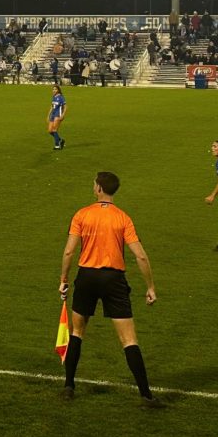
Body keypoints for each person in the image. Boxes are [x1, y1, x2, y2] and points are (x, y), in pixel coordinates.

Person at [58, 172, 157, 405]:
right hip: (114, 279)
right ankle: (146, 395)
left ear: (100, 188)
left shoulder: (82, 214)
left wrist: (63, 279)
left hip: (87, 276)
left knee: (77, 332)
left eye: (94, 184)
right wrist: (150, 286)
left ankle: (69, 386)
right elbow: (140, 256)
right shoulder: (123, 218)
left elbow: (69, 251)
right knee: (129, 339)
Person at [47, 85, 66, 150]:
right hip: (53, 114)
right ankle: (60, 140)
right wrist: (48, 115)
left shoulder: (61, 97)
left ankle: (57, 145)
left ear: (58, 90)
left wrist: (63, 115)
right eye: (53, 89)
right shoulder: (54, 97)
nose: (54, 90)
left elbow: (65, 107)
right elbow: (52, 106)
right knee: (50, 131)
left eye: (55, 89)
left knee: (54, 130)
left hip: (58, 115)